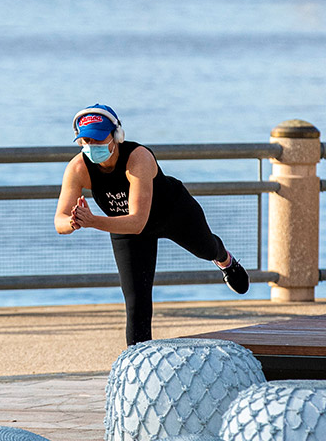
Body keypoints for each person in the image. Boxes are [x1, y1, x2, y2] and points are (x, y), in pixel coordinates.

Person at [54, 103, 249, 346]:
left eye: (97, 140)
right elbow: (59, 221)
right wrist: (73, 221)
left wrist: (93, 221)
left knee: (206, 248)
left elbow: (138, 221)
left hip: (173, 213)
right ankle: (136, 367)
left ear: (117, 136)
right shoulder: (78, 168)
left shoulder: (139, 158)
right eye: (85, 141)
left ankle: (225, 260)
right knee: (136, 301)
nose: (91, 147)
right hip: (123, 226)